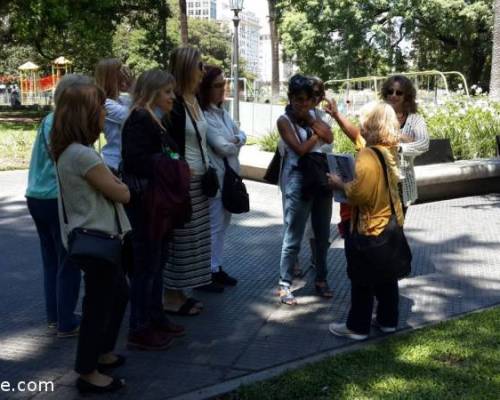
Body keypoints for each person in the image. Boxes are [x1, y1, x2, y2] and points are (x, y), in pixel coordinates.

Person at [51, 83, 130, 394]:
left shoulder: (73, 152)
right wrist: (116, 183)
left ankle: (102, 352)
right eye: (100, 109)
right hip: (97, 239)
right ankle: (87, 371)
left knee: (118, 294)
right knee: (99, 304)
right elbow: (122, 193)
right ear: (85, 114)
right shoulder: (82, 155)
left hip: (97, 238)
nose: (104, 115)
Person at [121, 69, 189, 350]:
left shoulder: (154, 120)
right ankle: (139, 327)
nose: (173, 97)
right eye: (167, 92)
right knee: (146, 267)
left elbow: (167, 153)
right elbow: (136, 160)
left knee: (156, 264)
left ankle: (155, 317)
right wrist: (170, 163)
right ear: (152, 93)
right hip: (146, 205)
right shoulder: (140, 119)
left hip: (157, 205)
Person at [327, 102, 404, 340]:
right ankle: (387, 321)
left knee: (361, 278)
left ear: (371, 124)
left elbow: (360, 194)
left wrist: (339, 183)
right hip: (389, 226)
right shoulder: (387, 150)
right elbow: (357, 137)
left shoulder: (368, 155)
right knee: (386, 277)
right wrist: (337, 116)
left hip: (369, 226)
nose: (360, 123)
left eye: (363, 120)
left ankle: (357, 327)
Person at [25, 74, 88, 337]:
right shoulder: (60, 122)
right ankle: (65, 321)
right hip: (54, 199)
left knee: (51, 260)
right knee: (68, 261)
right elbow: (67, 161)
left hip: (37, 196)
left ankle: (56, 316)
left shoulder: (49, 120)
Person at [330, 75, 429, 214]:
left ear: (407, 96)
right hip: (376, 179)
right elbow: (360, 135)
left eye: (399, 92)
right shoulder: (376, 115)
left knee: (395, 226)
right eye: (390, 91)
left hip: (401, 182)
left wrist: (396, 146)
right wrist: (337, 116)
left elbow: (423, 144)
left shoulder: (415, 120)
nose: (393, 95)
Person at [161, 47, 212, 314]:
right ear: (186, 68)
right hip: (184, 181)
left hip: (199, 179)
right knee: (181, 240)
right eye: (199, 65)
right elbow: (166, 141)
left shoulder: (194, 99)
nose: (203, 71)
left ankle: (180, 293)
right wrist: (179, 167)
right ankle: (171, 297)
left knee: (194, 241)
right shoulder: (176, 102)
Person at [277, 74, 334, 305]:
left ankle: (321, 279)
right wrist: (316, 135)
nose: (302, 104)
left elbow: (329, 136)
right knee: (293, 236)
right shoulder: (284, 120)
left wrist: (313, 125)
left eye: (307, 100)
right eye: (298, 99)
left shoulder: (314, 117)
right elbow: (299, 149)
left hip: (321, 179)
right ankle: (284, 284)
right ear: (290, 98)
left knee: (322, 235)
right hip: (298, 180)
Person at [198, 65, 246, 290]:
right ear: (206, 88)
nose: (222, 89)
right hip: (216, 179)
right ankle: (208, 271)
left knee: (223, 224)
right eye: (217, 85)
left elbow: (240, 135)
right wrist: (236, 140)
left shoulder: (223, 112)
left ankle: (215, 267)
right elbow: (222, 146)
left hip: (230, 177)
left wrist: (235, 140)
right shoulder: (204, 115)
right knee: (214, 225)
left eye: (223, 84)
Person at [95, 58, 133, 173]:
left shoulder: (123, 100)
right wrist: (132, 87)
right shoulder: (105, 104)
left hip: (127, 162)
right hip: (115, 164)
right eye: (120, 73)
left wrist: (131, 89)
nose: (125, 76)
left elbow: (147, 109)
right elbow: (136, 117)